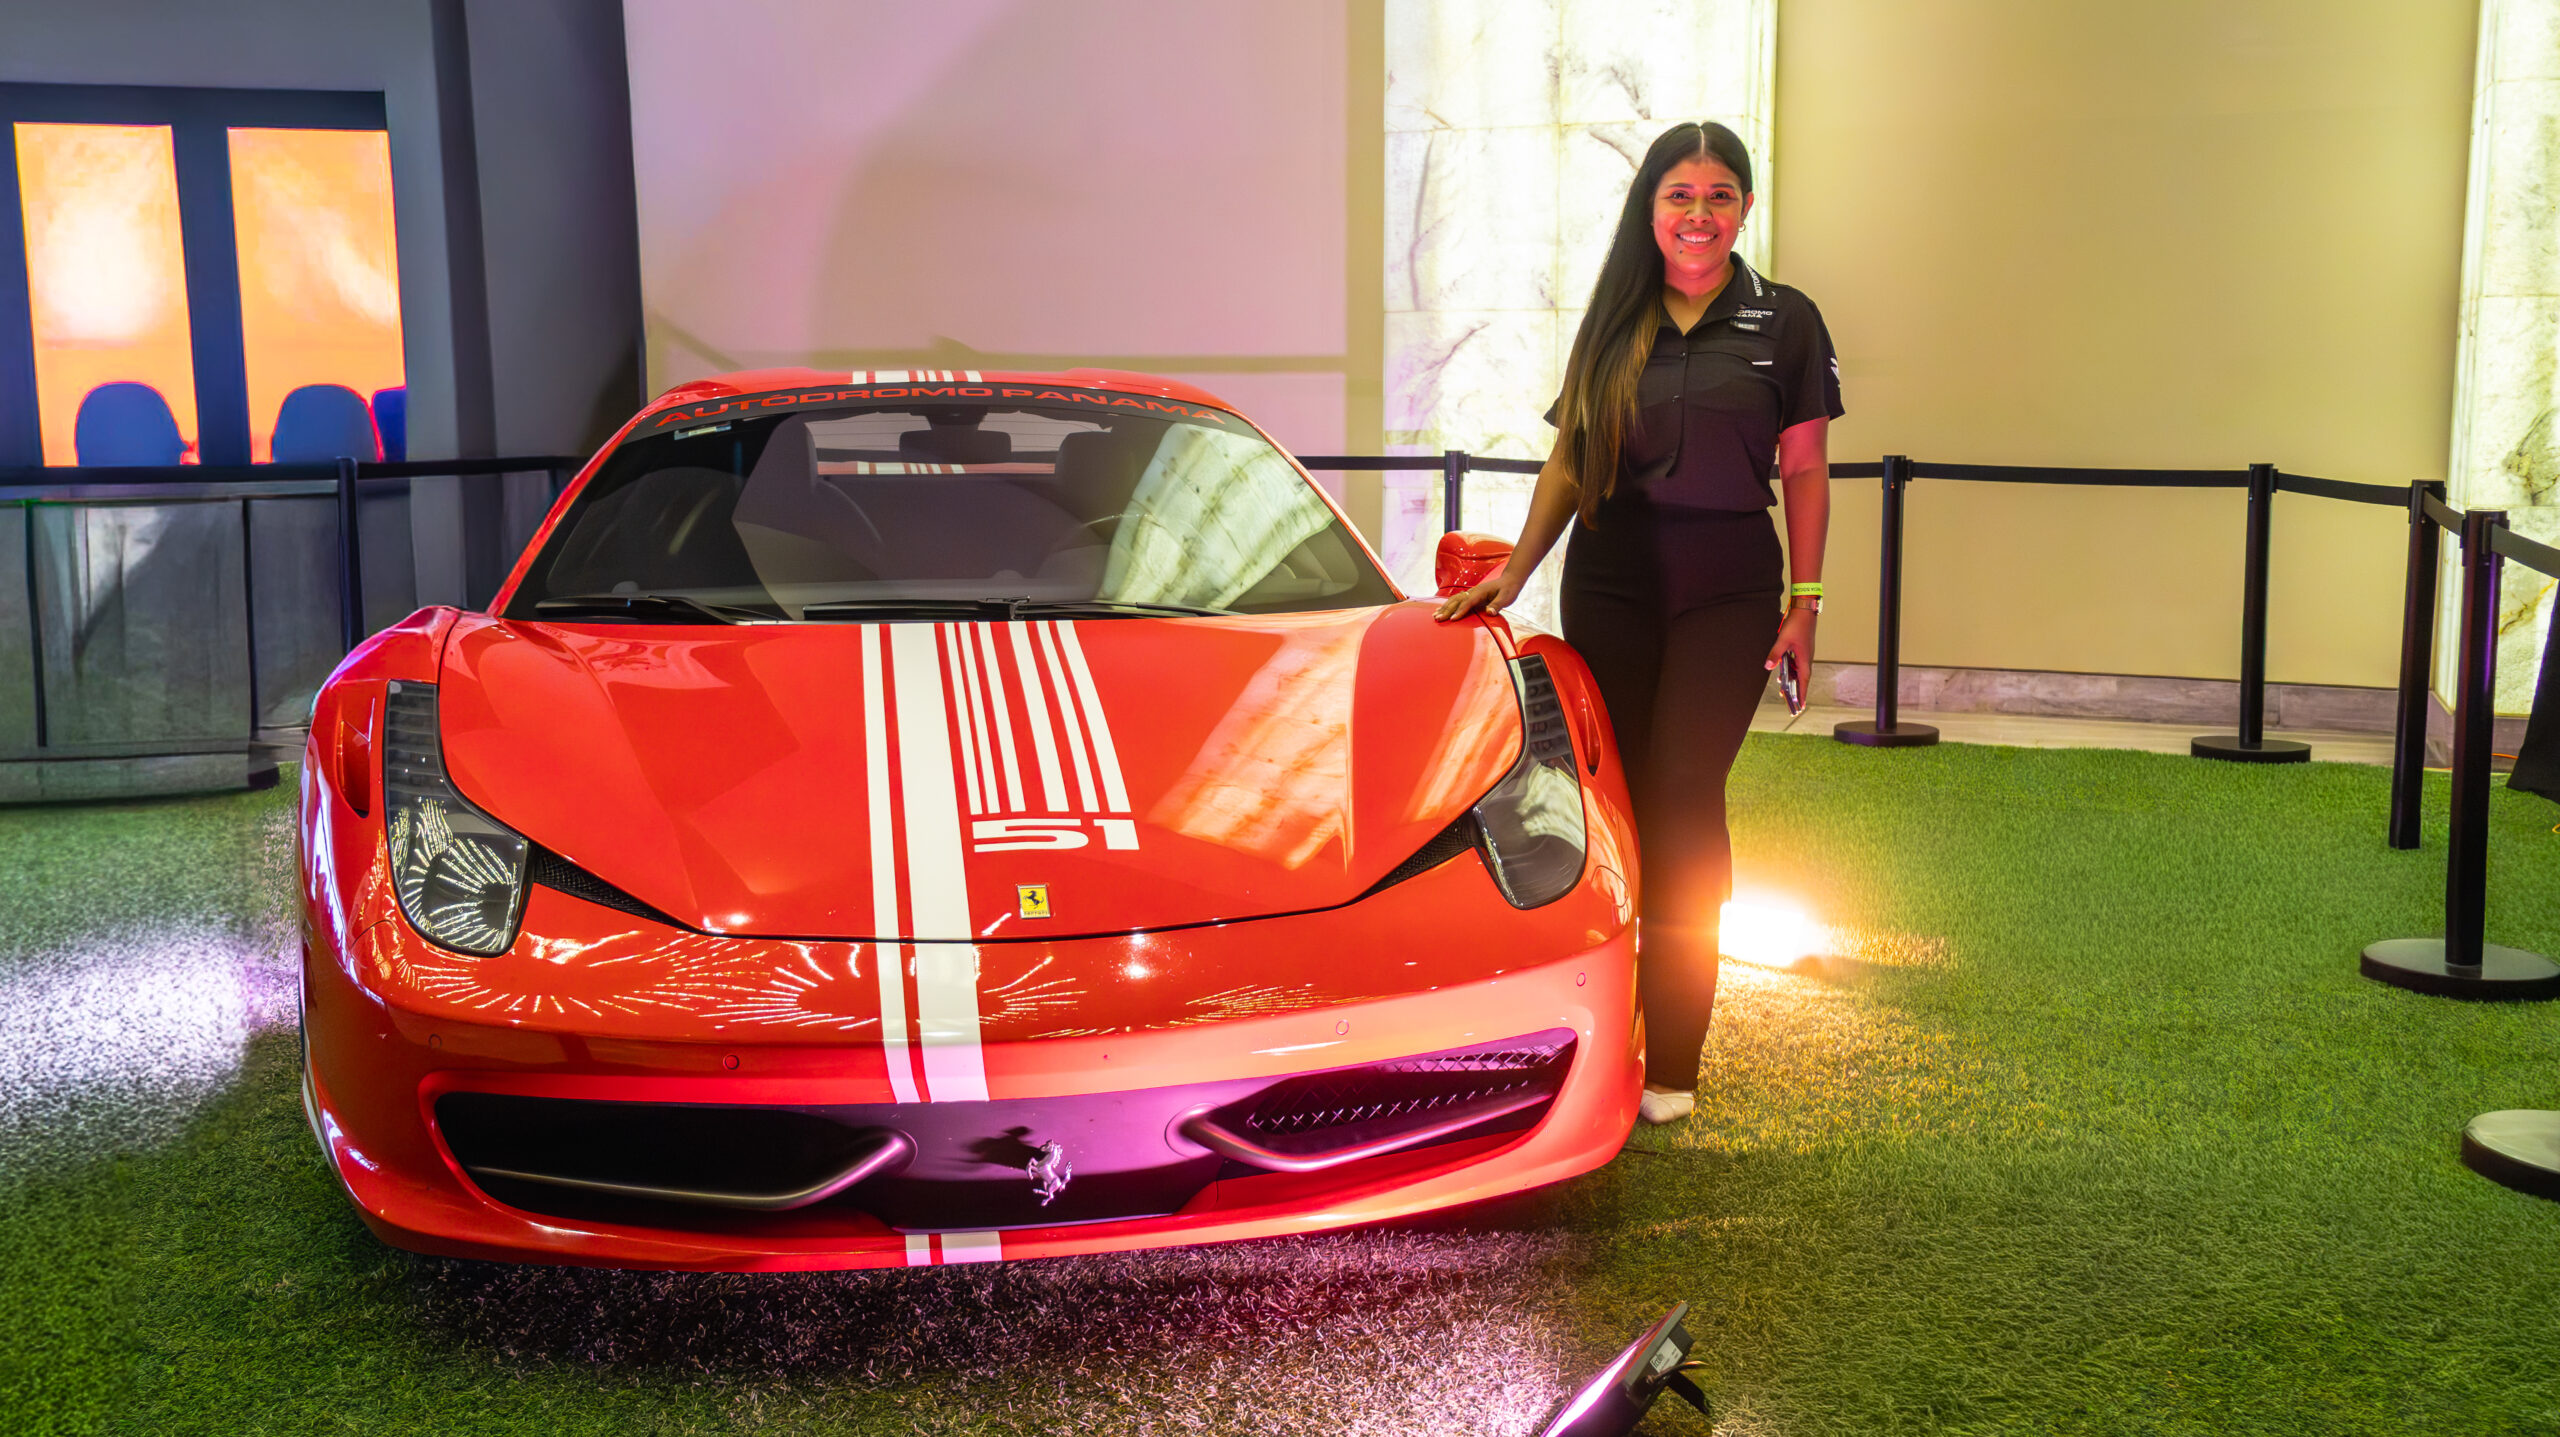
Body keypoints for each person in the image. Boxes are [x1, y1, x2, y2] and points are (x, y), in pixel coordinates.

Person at [1435, 120, 1841, 1125]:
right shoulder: (1616, 317)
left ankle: (1677, 1061)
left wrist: (1806, 605)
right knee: (1613, 801)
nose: (1699, 214)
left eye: (1719, 195)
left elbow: (1803, 469)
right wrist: (1517, 570)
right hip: (1611, 578)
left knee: (1683, 793)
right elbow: (1573, 458)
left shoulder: (1787, 320)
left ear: (1745, 207)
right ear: (1650, 209)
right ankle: (1604, 1024)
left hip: (1728, 585)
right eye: (1679, 195)